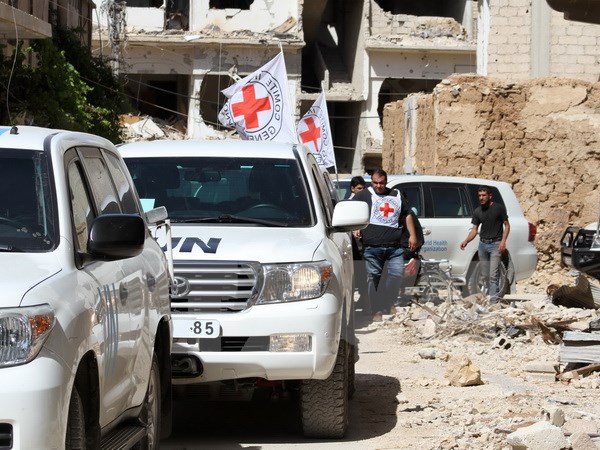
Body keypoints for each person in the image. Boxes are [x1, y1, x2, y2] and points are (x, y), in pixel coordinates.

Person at [353, 169, 418, 321]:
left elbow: (407, 214)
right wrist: (355, 226)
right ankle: (377, 310)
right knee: (373, 278)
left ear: (386, 182)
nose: (378, 186)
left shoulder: (396, 195)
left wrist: (413, 235)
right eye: (375, 183)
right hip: (372, 247)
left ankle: (387, 303)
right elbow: (351, 211)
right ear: (371, 182)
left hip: (394, 247)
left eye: (381, 183)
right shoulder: (363, 195)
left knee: (396, 275)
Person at [460, 185, 510, 303]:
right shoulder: (478, 211)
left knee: (493, 275)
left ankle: (494, 301)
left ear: (490, 196)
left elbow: (507, 225)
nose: (481, 198)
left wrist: (503, 241)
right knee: (484, 275)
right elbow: (474, 230)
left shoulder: (498, 208)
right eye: (479, 196)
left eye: (484, 195)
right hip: (482, 245)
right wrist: (466, 240)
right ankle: (486, 297)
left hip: (495, 245)